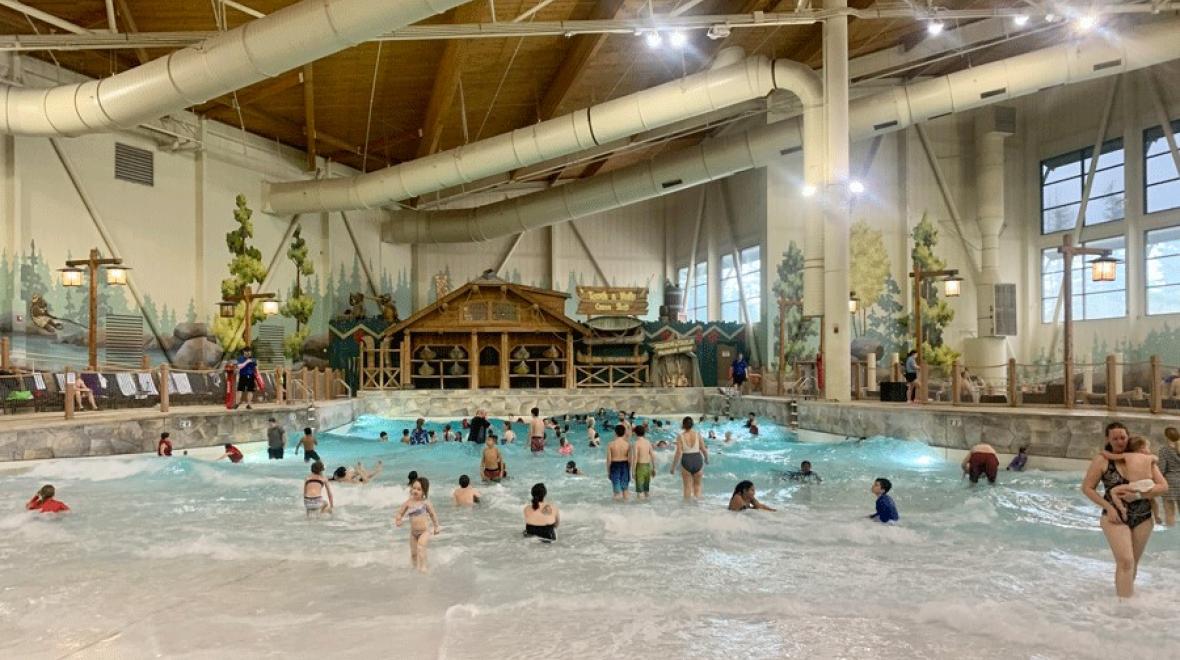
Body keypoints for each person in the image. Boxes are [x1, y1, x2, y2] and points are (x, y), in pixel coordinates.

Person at [1080, 422, 1168, 598]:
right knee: (1125, 561)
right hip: (1115, 516)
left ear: (1128, 437)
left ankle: (1127, 601)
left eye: (1123, 438)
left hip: (1143, 516)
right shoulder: (1103, 460)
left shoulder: (1142, 457)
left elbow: (1163, 487)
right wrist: (1108, 508)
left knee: (1133, 563)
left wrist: (1138, 496)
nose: (1120, 442)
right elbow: (1087, 488)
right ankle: (1123, 607)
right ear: (1108, 439)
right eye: (1115, 438)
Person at [1103, 437, 1162, 521]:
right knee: (1152, 499)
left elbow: (1112, 456)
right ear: (1142, 449)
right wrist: (1151, 458)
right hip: (1148, 484)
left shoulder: (1127, 455)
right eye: (1148, 447)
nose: (1149, 450)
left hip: (1134, 485)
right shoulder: (1150, 457)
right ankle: (1156, 515)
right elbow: (1157, 459)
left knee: (1113, 491)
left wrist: (1104, 452)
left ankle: (1122, 509)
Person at [395, 478, 440, 573]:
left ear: (424, 491)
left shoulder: (425, 503)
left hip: (424, 532)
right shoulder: (409, 502)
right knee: (414, 554)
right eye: (414, 488)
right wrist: (398, 519)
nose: (415, 491)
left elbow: (433, 515)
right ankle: (414, 569)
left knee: (420, 548)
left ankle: (424, 568)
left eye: (419, 489)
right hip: (413, 533)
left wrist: (436, 526)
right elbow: (400, 513)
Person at [670, 416, 708, 500]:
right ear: (692, 425)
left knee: (687, 488)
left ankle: (687, 510)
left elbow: (679, 452)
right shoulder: (698, 435)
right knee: (697, 487)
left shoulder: (680, 436)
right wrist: (706, 459)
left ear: (683, 425)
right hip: (697, 459)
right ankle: (697, 509)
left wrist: (673, 467)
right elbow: (704, 449)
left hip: (686, 460)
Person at [1159, 427, 1180, 527]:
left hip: (1170, 483)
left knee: (1169, 512)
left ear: (1166, 436)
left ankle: (1170, 529)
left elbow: (1162, 469)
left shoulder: (1164, 450)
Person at [606, 424, 631, 501]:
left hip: (615, 465)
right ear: (624, 433)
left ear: (615, 433)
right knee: (625, 490)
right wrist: (629, 471)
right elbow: (630, 460)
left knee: (616, 492)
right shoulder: (627, 444)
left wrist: (608, 472)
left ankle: (616, 511)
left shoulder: (610, 444)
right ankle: (627, 509)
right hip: (625, 465)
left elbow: (609, 460)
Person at [632, 425, 655, 499]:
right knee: (646, 490)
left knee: (639, 491)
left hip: (640, 467)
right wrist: (654, 468)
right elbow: (652, 455)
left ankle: (641, 509)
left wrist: (633, 471)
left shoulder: (636, 443)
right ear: (644, 433)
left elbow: (635, 458)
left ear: (635, 433)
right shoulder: (648, 442)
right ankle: (648, 507)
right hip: (648, 467)